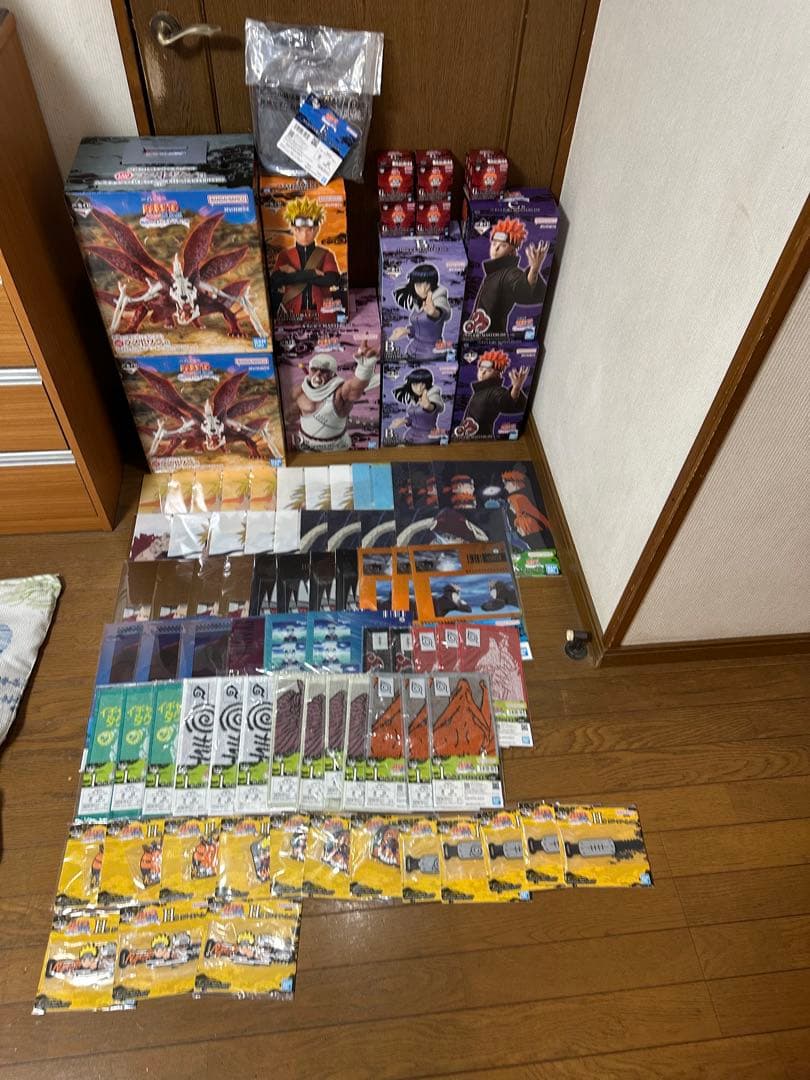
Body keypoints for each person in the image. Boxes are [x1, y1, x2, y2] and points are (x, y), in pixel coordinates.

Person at [290, 343, 379, 452]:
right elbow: (288, 417)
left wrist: (364, 368)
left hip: (337, 450)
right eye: (314, 369)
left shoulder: (339, 393)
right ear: (309, 370)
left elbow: (355, 387)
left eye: (324, 371)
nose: (318, 374)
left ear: (332, 374)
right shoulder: (299, 391)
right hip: (305, 447)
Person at [468, 218, 549, 334]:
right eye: (494, 243)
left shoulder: (510, 273)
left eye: (503, 245)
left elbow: (522, 289)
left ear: (512, 252)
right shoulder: (493, 273)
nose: (495, 248)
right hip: (480, 334)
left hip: (492, 337)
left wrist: (534, 270)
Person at [270, 196, 342, 319]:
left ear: (317, 229)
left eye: (309, 229)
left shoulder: (326, 254)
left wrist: (294, 276)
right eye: (299, 229)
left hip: (322, 313)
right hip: (291, 314)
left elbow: (332, 279)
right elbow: (276, 281)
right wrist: (311, 273)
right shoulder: (285, 255)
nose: (304, 234)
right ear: (292, 229)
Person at [454, 350, 531, 439]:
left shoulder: (495, 391)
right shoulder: (480, 391)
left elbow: (506, 402)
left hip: (481, 439)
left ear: (498, 374)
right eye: (481, 369)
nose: (482, 373)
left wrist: (516, 388)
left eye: (489, 370)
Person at [389, 264, 451, 359]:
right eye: (418, 285)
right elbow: (422, 329)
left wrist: (434, 312)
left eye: (427, 284)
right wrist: (406, 331)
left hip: (432, 356)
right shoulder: (418, 302)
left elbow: (443, 313)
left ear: (433, 283)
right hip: (412, 352)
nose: (423, 290)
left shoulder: (438, 298)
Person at [389, 367, 445, 445]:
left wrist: (429, 406)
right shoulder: (414, 399)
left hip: (427, 438)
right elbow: (415, 418)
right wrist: (404, 421)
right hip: (410, 436)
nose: (419, 389)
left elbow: (437, 406)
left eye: (422, 384)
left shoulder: (433, 395)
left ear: (427, 384)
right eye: (415, 385)